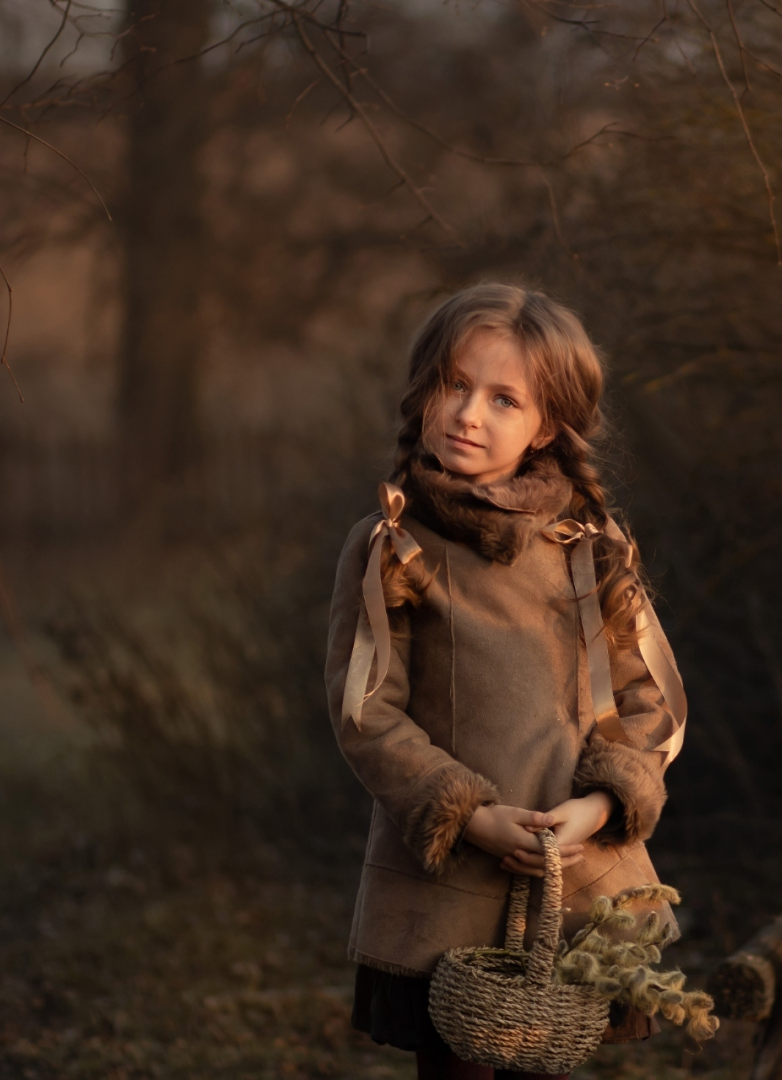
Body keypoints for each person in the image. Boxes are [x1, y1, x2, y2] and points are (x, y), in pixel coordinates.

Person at [324, 283, 687, 1080]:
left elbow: (649, 702)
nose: (468, 414)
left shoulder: (589, 545)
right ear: (425, 389)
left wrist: (599, 807)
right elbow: (366, 715)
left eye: (502, 398)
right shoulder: (390, 546)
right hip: (447, 885)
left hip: (576, 877)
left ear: (546, 426)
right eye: (455, 385)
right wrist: (472, 817)